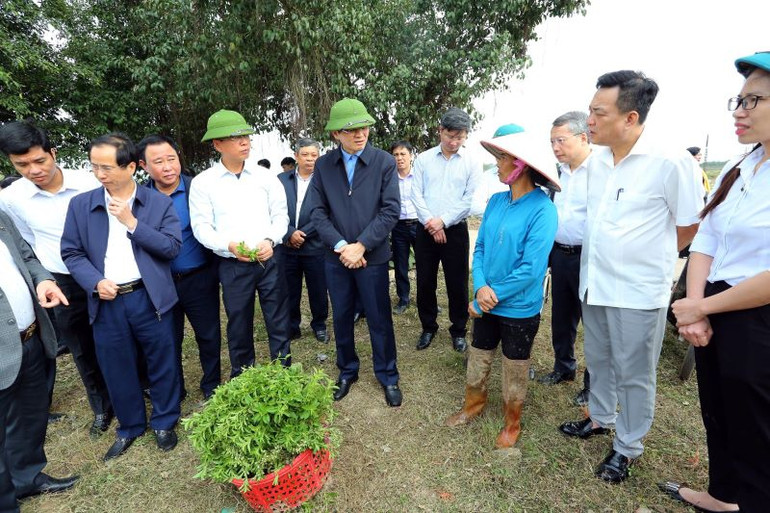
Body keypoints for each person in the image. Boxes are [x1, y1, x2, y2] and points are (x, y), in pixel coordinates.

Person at [558, 70, 703, 483]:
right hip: (595, 282)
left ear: (630, 117)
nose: (589, 120)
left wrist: (649, 257)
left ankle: (628, 445)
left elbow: (691, 225)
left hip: (639, 292)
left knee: (635, 373)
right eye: (589, 110)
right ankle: (600, 417)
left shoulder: (670, 161)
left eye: (597, 112)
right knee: (600, 360)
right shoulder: (598, 160)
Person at [665, 51, 770, 513]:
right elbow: (706, 236)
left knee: (756, 423)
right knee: (719, 408)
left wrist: (703, 308)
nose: (739, 111)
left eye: (753, 100)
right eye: (738, 100)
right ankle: (723, 494)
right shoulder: (740, 165)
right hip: (710, 303)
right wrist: (694, 303)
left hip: (756, 317)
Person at [61, 133, 182, 461]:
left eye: (107, 167)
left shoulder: (156, 202)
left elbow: (171, 247)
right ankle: (130, 426)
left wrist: (132, 223)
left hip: (149, 297)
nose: (100, 174)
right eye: (94, 167)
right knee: (116, 365)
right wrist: (95, 281)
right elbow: (71, 253)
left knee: (162, 359)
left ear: (131, 167)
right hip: (107, 300)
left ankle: (165, 421)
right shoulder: (81, 205)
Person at [445, 130, 559, 449]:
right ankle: (472, 406)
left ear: (520, 165)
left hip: (519, 308)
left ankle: (512, 422)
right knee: (478, 357)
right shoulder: (496, 201)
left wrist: (487, 299)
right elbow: (479, 248)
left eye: (502, 159)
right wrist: (480, 286)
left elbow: (532, 269)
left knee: (515, 366)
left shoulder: (543, 210)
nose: (496, 165)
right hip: (487, 301)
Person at [0, 121, 113, 436]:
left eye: (40, 160)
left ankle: (139, 385)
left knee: (120, 333)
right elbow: (26, 244)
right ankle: (101, 405)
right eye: (21, 164)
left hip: (104, 273)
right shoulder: (11, 199)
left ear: (53, 152)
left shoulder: (90, 182)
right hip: (61, 280)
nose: (33, 170)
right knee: (79, 344)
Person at [310, 98, 402, 407]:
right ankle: (347, 371)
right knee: (342, 316)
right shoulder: (324, 165)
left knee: (379, 318)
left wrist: (361, 245)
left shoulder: (383, 162)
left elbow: (390, 211)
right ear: (336, 134)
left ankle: (388, 375)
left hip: (371, 257)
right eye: (350, 130)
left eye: (364, 127)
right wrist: (341, 246)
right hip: (335, 258)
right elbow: (317, 212)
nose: (360, 134)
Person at [189, 110, 291, 375]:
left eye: (246, 136)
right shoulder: (204, 183)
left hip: (269, 258)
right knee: (238, 321)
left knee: (278, 318)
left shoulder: (265, 177)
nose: (244, 142)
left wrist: (271, 239)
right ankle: (243, 376)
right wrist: (228, 245)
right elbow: (201, 227)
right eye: (235, 137)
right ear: (217, 144)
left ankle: (284, 373)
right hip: (233, 263)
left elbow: (280, 215)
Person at [0, 209, 78, 512]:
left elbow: (26, 257)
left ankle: (27, 478)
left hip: (30, 336)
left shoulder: (1, 217)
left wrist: (43, 281)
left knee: (30, 417)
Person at [138, 134, 222, 400]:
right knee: (167, 340)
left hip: (199, 276)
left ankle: (212, 385)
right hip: (160, 283)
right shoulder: (139, 198)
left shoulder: (197, 189)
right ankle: (176, 389)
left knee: (208, 336)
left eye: (171, 159)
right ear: (143, 166)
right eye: (158, 162)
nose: (167, 167)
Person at [412, 107, 482, 353]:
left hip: (455, 231)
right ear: (440, 131)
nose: (454, 142)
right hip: (425, 229)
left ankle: (459, 330)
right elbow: (416, 194)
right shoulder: (423, 159)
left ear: (466, 136)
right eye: (450, 135)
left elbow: (468, 199)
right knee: (425, 280)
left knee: (457, 281)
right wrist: (432, 223)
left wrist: (443, 222)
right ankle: (428, 326)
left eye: (460, 137)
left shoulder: (472, 162)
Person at [537, 112, 592, 407]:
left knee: (593, 322)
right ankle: (563, 367)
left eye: (561, 140)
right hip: (560, 253)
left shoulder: (601, 171)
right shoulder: (555, 173)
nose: (555, 147)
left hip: (589, 257)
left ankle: (592, 385)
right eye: (552, 142)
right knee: (562, 316)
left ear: (583, 138)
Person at [278, 138, 329, 343]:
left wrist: (303, 234)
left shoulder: (325, 181)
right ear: (296, 155)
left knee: (318, 288)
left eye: (314, 155)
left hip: (315, 245)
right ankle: (292, 326)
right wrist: (289, 232)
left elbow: (327, 212)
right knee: (289, 289)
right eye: (305, 154)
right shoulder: (281, 180)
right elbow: (274, 210)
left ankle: (319, 325)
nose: (310, 159)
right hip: (287, 246)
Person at [390, 140, 418, 314]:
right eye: (396, 155)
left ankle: (427, 299)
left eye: (403, 154)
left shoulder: (420, 176)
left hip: (419, 225)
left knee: (425, 264)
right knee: (400, 264)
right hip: (398, 226)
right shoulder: (389, 179)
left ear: (411, 156)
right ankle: (403, 298)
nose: (399, 158)